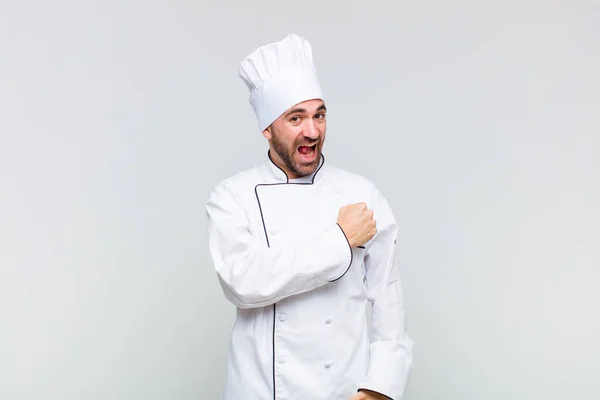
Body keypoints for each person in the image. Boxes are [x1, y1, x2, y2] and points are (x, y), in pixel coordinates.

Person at [205, 33, 414, 400]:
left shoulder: (362, 196)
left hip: (343, 391)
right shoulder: (232, 197)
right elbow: (244, 282)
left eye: (319, 115)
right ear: (267, 129)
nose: (313, 131)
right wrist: (340, 240)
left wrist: (378, 390)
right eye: (296, 118)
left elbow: (389, 306)